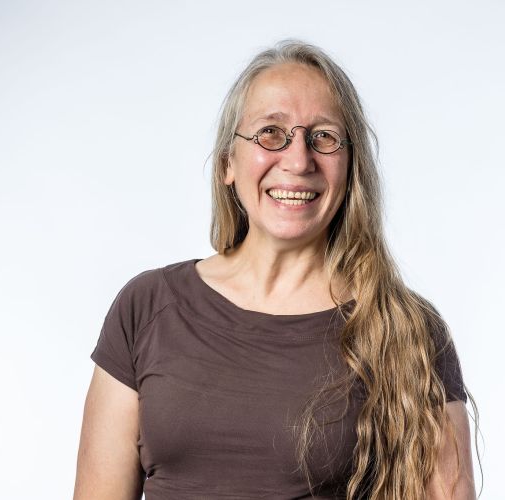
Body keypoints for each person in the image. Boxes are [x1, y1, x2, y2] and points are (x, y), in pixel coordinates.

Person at [73, 40, 480, 500]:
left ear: (351, 168)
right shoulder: (146, 308)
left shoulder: (406, 331)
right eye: (271, 132)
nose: (299, 160)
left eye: (323, 137)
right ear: (228, 163)